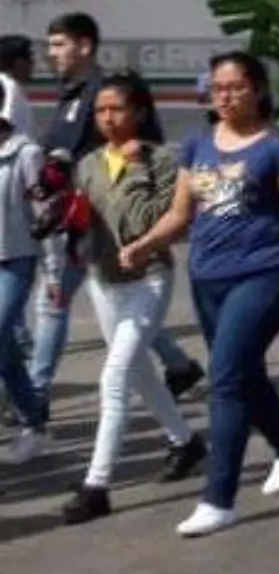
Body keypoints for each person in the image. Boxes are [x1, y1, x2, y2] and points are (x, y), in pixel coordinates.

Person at [119, 52, 279, 536]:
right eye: (218, 88)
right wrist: (145, 244)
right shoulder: (198, 144)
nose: (224, 96)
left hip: (267, 271)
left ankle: (218, 498)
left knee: (225, 375)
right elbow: (181, 214)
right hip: (208, 276)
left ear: (258, 90)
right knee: (244, 374)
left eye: (235, 87)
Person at [61, 71, 208, 523]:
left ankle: (97, 485)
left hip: (148, 280)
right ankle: (186, 443)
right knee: (141, 374)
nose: (107, 117)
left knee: (115, 376)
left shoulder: (165, 160)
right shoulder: (88, 163)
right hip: (102, 281)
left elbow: (159, 219)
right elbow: (80, 218)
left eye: (116, 109)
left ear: (140, 112)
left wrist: (137, 166)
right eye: (101, 110)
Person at [35, 13, 204, 403]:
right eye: (49, 45)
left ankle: (35, 394)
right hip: (79, 220)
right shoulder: (73, 94)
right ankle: (179, 366)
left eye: (59, 44)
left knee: (54, 304)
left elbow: (141, 150)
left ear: (85, 46)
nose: (51, 53)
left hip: (105, 222)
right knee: (114, 302)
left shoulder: (108, 92)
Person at [0, 81, 53, 463]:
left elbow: (44, 212)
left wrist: (53, 271)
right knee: (6, 352)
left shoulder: (26, 153)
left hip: (16, 260)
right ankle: (34, 421)